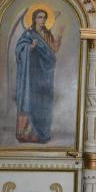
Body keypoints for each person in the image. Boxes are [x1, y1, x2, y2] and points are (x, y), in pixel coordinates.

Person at [15, 9, 62, 143]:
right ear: (34, 19)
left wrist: (59, 39)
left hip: (44, 74)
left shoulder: (48, 34)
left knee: (43, 102)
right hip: (31, 74)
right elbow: (19, 49)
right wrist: (30, 47)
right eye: (40, 17)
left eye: (44, 17)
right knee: (29, 100)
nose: (42, 20)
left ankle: (41, 133)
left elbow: (53, 51)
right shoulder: (28, 34)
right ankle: (26, 133)